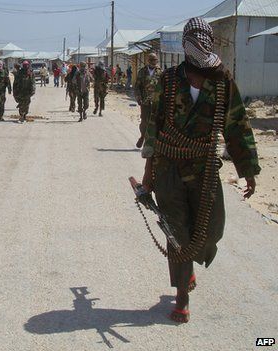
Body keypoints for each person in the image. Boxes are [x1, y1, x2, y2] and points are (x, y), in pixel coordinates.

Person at [141, 18, 260, 324]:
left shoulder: (222, 81)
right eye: (191, 39)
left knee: (211, 230)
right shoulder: (167, 81)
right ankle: (182, 295)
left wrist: (248, 169)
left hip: (205, 169)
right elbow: (153, 129)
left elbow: (237, 125)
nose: (197, 45)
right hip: (168, 168)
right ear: (183, 44)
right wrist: (148, 172)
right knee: (177, 233)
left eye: (201, 39)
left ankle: (190, 263)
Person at [134, 53, 162, 148]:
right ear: (149, 61)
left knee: (156, 122)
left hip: (157, 102)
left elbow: (164, 87)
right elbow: (137, 86)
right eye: (153, 60)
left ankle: (152, 142)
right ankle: (142, 136)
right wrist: (138, 98)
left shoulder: (160, 72)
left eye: (156, 60)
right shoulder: (142, 72)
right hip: (145, 102)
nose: (155, 62)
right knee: (144, 122)